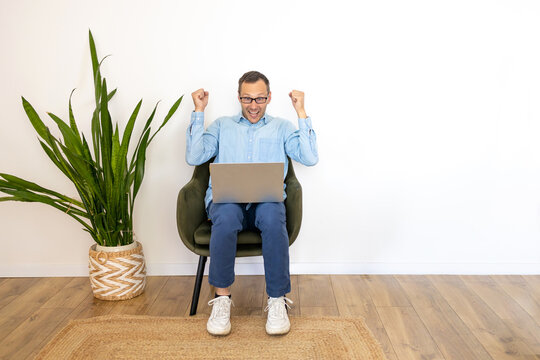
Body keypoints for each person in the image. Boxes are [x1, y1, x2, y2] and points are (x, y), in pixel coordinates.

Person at [186, 71, 318, 336]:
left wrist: (301, 112)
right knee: (225, 219)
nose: (254, 105)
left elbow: (310, 157)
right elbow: (194, 155)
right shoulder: (223, 125)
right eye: (247, 98)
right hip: (228, 201)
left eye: (259, 99)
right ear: (239, 97)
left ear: (269, 98)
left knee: (272, 217)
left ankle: (277, 300)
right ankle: (222, 300)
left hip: (266, 201)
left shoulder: (281, 127)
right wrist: (199, 111)